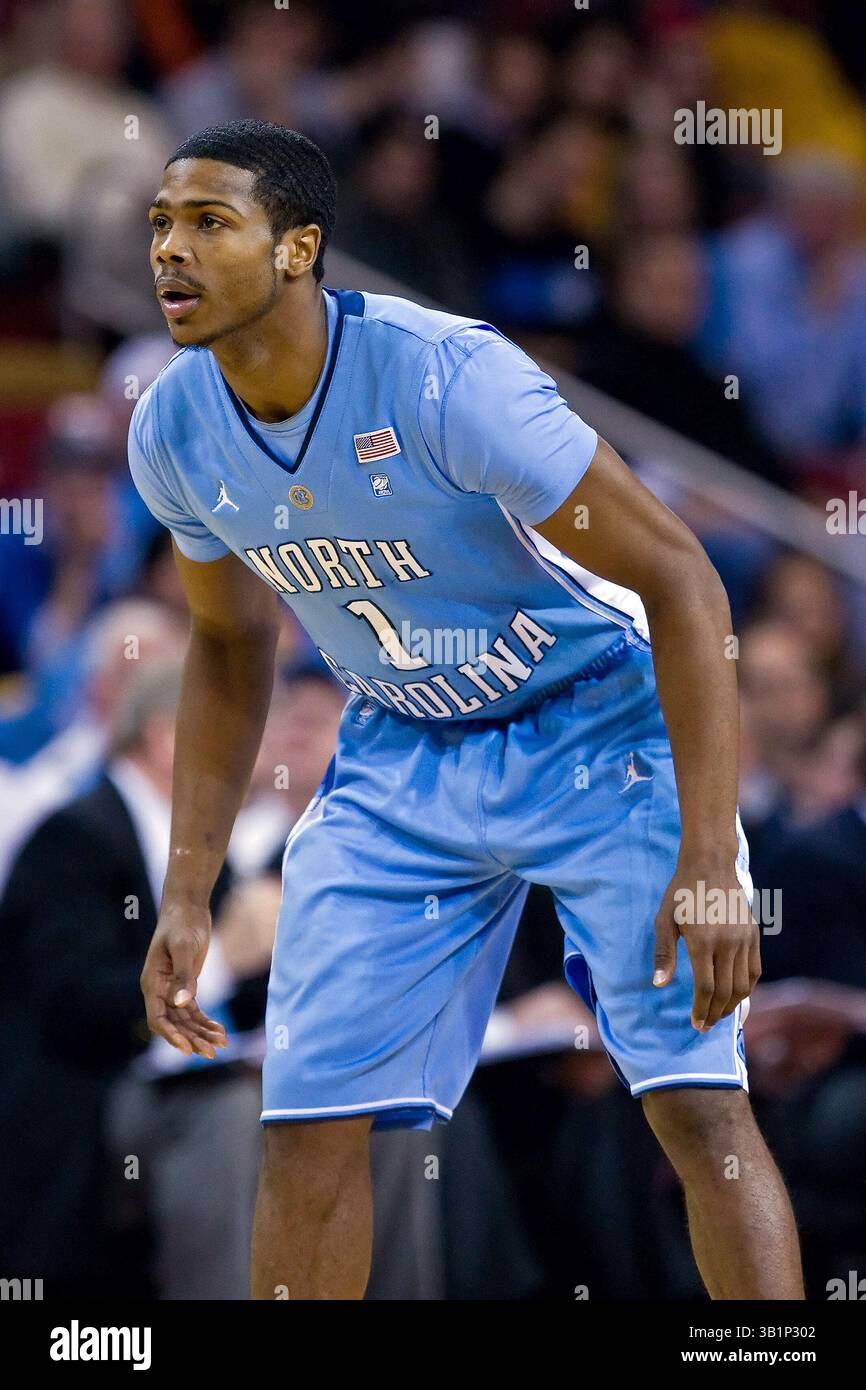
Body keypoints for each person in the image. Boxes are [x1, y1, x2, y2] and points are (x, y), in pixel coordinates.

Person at [127, 119, 803, 1300]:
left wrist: (708, 855)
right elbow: (231, 645)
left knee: (695, 1105)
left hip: (600, 718)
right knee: (303, 1123)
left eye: (207, 224)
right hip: (403, 746)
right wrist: (188, 887)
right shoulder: (173, 430)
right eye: (160, 226)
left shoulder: (448, 378)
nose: (170, 252)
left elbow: (682, 581)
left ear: (297, 251)